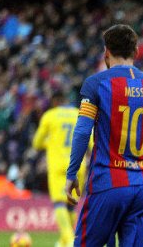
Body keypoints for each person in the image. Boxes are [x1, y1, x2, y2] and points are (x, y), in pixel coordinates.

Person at [65, 24, 143, 247]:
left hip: (108, 184)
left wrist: (72, 173)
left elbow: (83, 131)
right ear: (136, 52)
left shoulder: (96, 84)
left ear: (106, 52)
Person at [32, 91, 88, 247]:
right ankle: (66, 241)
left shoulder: (50, 115)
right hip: (78, 165)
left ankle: (69, 240)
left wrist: (50, 143)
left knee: (59, 203)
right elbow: (90, 142)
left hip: (57, 164)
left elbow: (36, 143)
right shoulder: (80, 114)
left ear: (55, 102)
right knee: (71, 203)